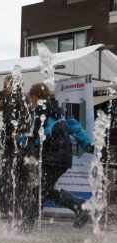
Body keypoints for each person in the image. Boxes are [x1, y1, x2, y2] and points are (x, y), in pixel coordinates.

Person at [21, 83, 92, 233]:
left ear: (33, 97)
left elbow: (37, 135)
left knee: (40, 190)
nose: (30, 103)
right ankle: (79, 207)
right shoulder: (58, 110)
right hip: (62, 158)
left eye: (30, 100)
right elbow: (75, 126)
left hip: (53, 157)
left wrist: (19, 139)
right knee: (45, 189)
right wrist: (87, 144)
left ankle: (26, 226)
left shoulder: (40, 112)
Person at [0, 75, 32, 218]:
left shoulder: (21, 98)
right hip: (11, 145)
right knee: (10, 177)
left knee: (17, 178)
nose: (3, 88)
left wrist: (18, 132)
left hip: (18, 146)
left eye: (5, 85)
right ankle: (13, 210)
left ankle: (19, 211)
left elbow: (27, 120)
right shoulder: (10, 100)